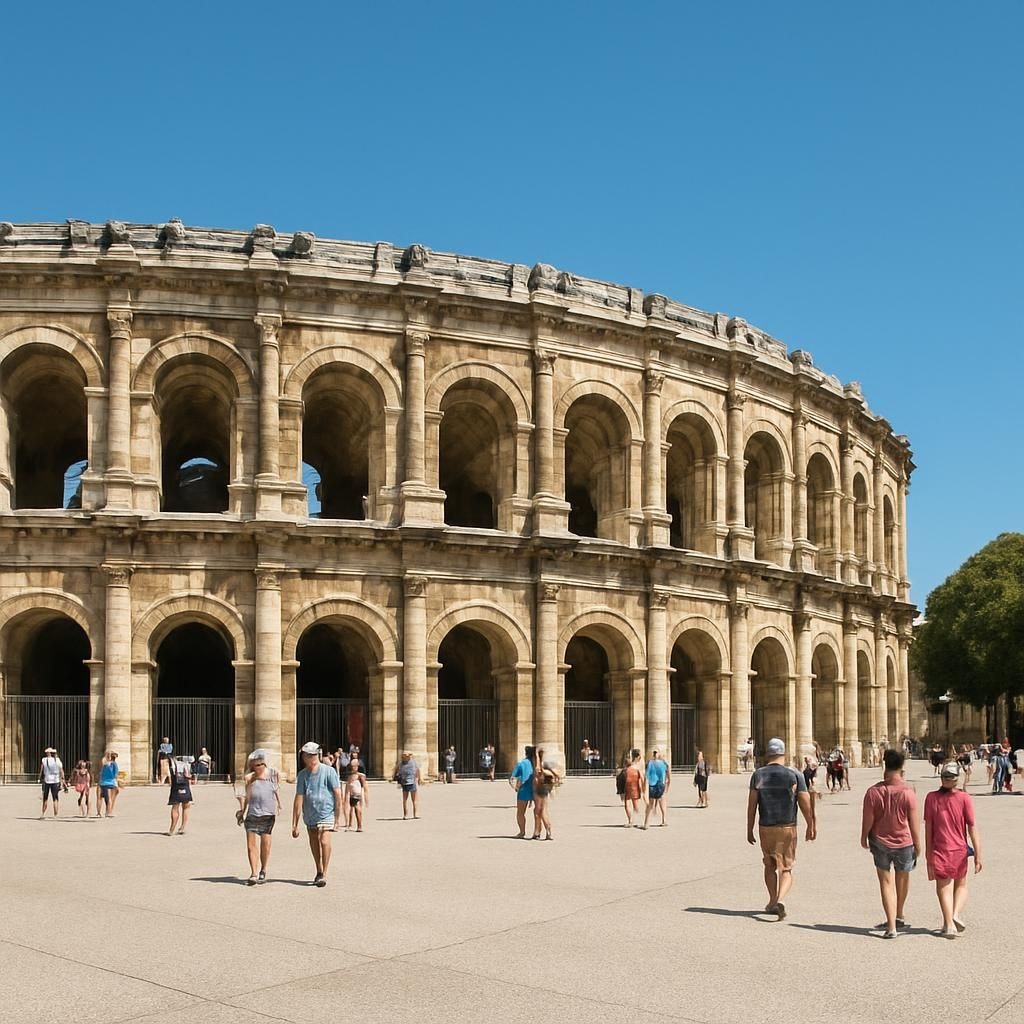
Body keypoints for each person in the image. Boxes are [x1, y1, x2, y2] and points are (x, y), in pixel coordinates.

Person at [746, 737, 816, 920]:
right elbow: (805, 803)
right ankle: (780, 899)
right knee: (786, 868)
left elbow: (752, 805)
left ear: (768, 753)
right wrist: (811, 824)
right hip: (787, 826)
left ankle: (771, 900)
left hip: (766, 826)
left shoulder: (758, 775)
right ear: (783, 753)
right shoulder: (795, 775)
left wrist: (749, 828)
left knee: (769, 865)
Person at [860, 748, 922, 938]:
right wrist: (918, 845)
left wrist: (863, 836)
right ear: (902, 767)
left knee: (886, 883)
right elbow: (914, 822)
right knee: (902, 880)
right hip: (904, 842)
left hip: (880, 841)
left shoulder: (873, 792)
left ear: (884, 766)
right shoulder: (908, 793)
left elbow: (868, 819)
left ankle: (892, 926)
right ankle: (899, 914)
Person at [924, 761, 982, 938]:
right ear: (957, 780)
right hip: (959, 849)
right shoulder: (964, 798)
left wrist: (928, 854)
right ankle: (955, 914)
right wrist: (978, 854)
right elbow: (972, 827)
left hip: (940, 849)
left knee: (943, 887)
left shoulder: (931, 798)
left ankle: (949, 923)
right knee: (961, 884)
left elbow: (929, 828)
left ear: (942, 778)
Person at [292, 741, 342, 886]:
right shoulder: (302, 775)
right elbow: (299, 799)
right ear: (304, 757)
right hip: (310, 813)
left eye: (314, 755)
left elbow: (338, 794)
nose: (312, 758)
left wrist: (337, 819)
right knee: (314, 841)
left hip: (326, 812)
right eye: (309, 755)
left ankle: (324, 873)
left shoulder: (329, 771)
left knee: (324, 841)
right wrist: (295, 824)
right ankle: (318, 869)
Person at [238, 752, 280, 884]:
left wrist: (279, 804)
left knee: (265, 844)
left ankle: (263, 869)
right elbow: (247, 796)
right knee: (251, 845)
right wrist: (242, 811)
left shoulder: (273, 774)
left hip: (268, 813)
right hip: (252, 813)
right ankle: (253, 873)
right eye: (255, 765)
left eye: (260, 764)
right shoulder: (249, 778)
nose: (258, 767)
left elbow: (276, 790)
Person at [532, 747, 559, 839]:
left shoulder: (539, 767)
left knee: (538, 812)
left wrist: (536, 754)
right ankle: (545, 831)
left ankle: (538, 832)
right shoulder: (546, 766)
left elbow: (538, 769)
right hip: (544, 789)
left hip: (539, 789)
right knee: (543, 811)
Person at [510, 744, 536, 838]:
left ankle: (522, 832)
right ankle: (538, 832)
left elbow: (512, 779)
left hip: (524, 790)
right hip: (536, 790)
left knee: (520, 813)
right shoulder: (536, 764)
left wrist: (516, 788)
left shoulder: (521, 763)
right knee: (539, 812)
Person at [167, 755, 194, 836]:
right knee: (186, 807)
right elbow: (190, 776)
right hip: (185, 786)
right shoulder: (188, 762)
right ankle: (183, 827)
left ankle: (172, 829)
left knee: (175, 808)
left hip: (176, 786)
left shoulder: (172, 762)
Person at [644, 748, 670, 825]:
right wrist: (668, 785)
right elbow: (668, 776)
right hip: (661, 784)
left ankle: (646, 822)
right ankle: (664, 820)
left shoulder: (649, 763)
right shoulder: (664, 763)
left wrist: (644, 787)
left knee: (650, 804)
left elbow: (646, 775)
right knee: (662, 802)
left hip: (652, 784)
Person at [39, 746, 65, 819]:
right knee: (55, 798)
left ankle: (43, 814)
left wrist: (39, 778)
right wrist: (63, 780)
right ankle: (55, 815)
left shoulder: (44, 760)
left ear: (48, 753)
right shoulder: (57, 760)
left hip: (47, 780)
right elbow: (61, 770)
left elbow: (41, 770)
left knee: (45, 798)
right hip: (55, 781)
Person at [394, 751, 422, 819]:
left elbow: (417, 771)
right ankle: (408, 814)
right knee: (408, 800)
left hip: (410, 782)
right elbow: (418, 770)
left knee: (410, 800)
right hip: (407, 783)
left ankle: (412, 814)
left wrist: (419, 779)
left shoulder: (402, 764)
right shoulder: (409, 763)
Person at [622, 749, 645, 828]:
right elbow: (642, 779)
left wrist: (644, 789)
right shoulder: (637, 767)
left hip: (632, 787)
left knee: (631, 805)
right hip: (632, 787)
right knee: (631, 805)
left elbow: (642, 779)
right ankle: (633, 821)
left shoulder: (633, 767)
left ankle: (632, 821)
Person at [344, 759, 369, 831]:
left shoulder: (360, 776)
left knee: (357, 809)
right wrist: (346, 797)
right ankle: (349, 824)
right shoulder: (349, 776)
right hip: (350, 794)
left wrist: (366, 798)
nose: (353, 768)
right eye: (352, 766)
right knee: (350, 810)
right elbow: (347, 786)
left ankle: (359, 825)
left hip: (357, 795)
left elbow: (365, 787)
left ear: (357, 766)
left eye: (354, 766)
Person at [97, 752, 120, 817]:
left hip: (102, 782)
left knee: (100, 798)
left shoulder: (105, 764)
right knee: (110, 798)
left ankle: (99, 813)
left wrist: (106, 755)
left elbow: (101, 771)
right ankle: (109, 812)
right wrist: (117, 784)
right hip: (111, 783)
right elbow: (115, 775)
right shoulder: (114, 764)